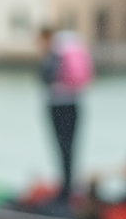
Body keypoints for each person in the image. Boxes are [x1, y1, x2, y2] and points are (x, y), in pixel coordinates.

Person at [38, 27, 92, 202]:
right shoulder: (74, 45)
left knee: (62, 146)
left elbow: (45, 77)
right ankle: (71, 186)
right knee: (72, 146)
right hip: (76, 103)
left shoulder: (54, 52)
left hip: (57, 105)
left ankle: (65, 190)